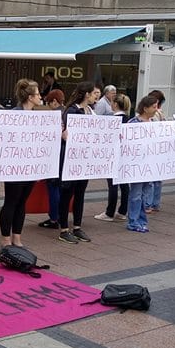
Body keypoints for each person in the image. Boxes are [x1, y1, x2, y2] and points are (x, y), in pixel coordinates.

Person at [0, 79, 42, 247]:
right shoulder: (14, 114)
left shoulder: (38, 118)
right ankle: (5, 238)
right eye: (38, 94)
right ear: (30, 97)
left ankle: (17, 236)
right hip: (14, 167)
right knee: (11, 201)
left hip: (29, 167)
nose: (40, 97)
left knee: (22, 201)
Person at [57, 81, 96, 244]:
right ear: (86, 94)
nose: (96, 96)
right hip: (72, 159)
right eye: (94, 93)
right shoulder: (72, 111)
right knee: (67, 193)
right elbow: (64, 131)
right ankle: (64, 229)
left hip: (84, 159)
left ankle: (77, 227)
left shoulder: (90, 111)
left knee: (80, 193)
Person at [125, 94, 161, 233]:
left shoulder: (154, 123)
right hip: (137, 166)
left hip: (149, 165)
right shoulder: (134, 123)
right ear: (145, 108)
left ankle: (141, 220)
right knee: (136, 194)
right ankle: (133, 221)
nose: (156, 109)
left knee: (145, 194)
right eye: (153, 107)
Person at [94, 93, 131, 222]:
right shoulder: (128, 119)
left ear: (114, 104)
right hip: (125, 155)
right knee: (125, 184)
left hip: (113, 155)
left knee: (113, 184)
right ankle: (122, 210)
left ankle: (110, 212)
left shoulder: (112, 121)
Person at [38, 88, 64, 229]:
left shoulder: (55, 115)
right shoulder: (66, 112)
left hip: (54, 156)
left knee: (53, 187)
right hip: (64, 156)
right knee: (60, 188)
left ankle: (54, 217)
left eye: (49, 103)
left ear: (54, 101)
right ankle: (60, 215)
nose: (49, 106)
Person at [144, 89, 168, 213]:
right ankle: (155, 203)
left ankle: (148, 204)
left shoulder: (155, 115)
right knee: (157, 178)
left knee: (151, 178)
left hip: (153, 148)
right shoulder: (161, 113)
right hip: (159, 149)